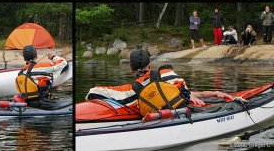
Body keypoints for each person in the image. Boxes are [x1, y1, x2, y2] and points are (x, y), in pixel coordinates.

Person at [85, 50, 234, 115]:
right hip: (186, 109)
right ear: (149, 65)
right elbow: (188, 93)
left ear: (132, 70)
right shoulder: (168, 74)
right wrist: (215, 93)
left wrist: (90, 95)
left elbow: (96, 91)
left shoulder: (131, 89)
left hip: (164, 115)